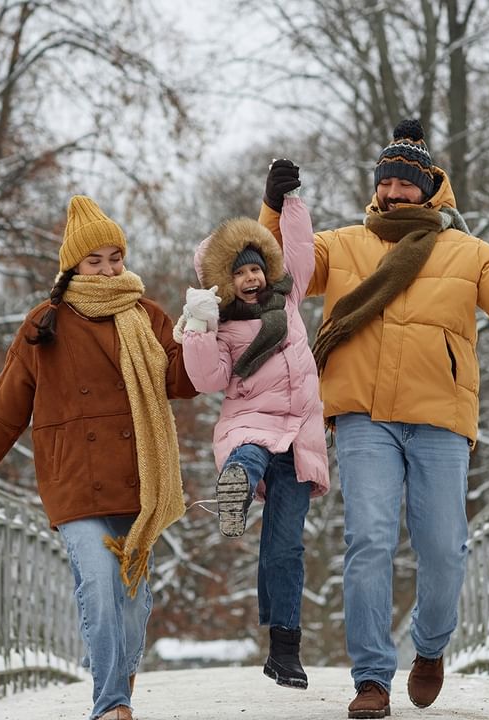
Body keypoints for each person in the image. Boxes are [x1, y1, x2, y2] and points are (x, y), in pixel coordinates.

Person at [258, 119, 489, 719]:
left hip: (439, 416)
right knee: (369, 541)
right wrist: (274, 207)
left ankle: (429, 647)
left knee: (443, 548)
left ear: (430, 189)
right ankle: (372, 677)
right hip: (364, 417)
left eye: (407, 183)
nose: (396, 192)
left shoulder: (467, 252)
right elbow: (281, 268)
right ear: (376, 188)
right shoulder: (345, 244)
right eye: (387, 183)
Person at [0, 195, 197, 720]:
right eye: (94, 261)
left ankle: (119, 670)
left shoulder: (146, 315)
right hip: (73, 479)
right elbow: (6, 405)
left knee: (131, 596)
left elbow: (181, 381)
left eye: (114, 258)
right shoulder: (45, 323)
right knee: (98, 586)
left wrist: (202, 335)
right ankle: (111, 705)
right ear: (73, 265)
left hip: (137, 476)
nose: (106, 270)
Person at [174, 183, 329, 690]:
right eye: (239, 272)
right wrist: (198, 326)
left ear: (267, 269)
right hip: (251, 423)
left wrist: (290, 201)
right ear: (224, 281)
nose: (250, 278)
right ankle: (235, 487)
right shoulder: (221, 328)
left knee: (285, 547)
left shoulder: (288, 302)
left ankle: (284, 652)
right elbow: (207, 380)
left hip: (301, 436)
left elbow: (301, 250)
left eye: (256, 268)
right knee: (247, 453)